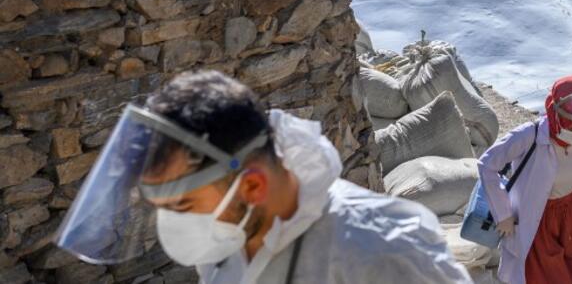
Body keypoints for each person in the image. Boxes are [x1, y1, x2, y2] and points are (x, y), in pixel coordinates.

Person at [56, 70, 472, 284]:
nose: (171, 225)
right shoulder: (229, 238)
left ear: (253, 184)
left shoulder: (380, 248)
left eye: (181, 206)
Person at [478, 76, 572, 284]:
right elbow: (487, 164)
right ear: (557, 116)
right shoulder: (530, 135)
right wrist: (503, 214)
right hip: (539, 221)